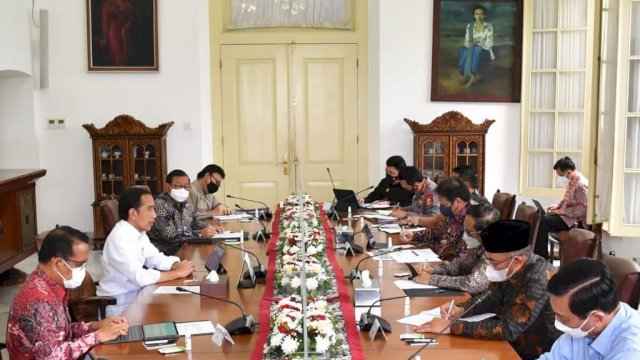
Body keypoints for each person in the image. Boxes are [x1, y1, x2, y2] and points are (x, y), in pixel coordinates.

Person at [416, 220, 561, 360]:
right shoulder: (510, 267)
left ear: (517, 261)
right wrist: (462, 309)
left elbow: (508, 329)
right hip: (509, 345)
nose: (489, 266)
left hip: (534, 352)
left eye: (493, 262)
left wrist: (451, 327)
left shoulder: (539, 278)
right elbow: (493, 297)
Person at [6, 226, 128, 359]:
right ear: (58, 263)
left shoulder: (49, 284)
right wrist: (98, 336)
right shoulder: (38, 300)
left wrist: (96, 326)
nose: (83, 270)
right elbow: (52, 356)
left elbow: (62, 331)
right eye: (79, 265)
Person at [98, 187, 195, 316]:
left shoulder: (138, 232)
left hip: (138, 296)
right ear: (133, 213)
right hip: (122, 306)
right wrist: (178, 273)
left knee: (180, 309)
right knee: (174, 315)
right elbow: (140, 277)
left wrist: (176, 265)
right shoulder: (119, 238)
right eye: (149, 209)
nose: (154, 215)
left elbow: (155, 258)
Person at [539, 258, 640, 359]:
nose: (556, 321)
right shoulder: (586, 326)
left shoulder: (630, 352)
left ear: (597, 319)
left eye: (563, 318)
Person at [412, 202, 500, 295]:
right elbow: (461, 265)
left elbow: (473, 284)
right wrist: (435, 270)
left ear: (483, 233)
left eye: (469, 232)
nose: (465, 235)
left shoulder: (497, 251)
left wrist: (432, 279)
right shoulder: (482, 245)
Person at [148, 169, 223, 255]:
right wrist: (200, 234)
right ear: (168, 186)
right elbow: (170, 236)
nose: (183, 190)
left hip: (186, 248)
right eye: (178, 186)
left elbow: (196, 223)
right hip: (166, 254)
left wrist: (211, 227)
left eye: (186, 186)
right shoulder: (159, 205)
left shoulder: (185, 204)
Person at [401, 177, 471, 261]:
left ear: (457, 201)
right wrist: (413, 235)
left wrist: (437, 269)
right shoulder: (453, 212)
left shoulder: (472, 219)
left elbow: (462, 258)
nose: (443, 208)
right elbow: (437, 232)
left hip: (448, 267)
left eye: (445, 204)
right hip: (435, 260)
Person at [534, 157, 589, 258]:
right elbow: (567, 200)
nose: (564, 178)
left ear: (568, 172)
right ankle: (538, 254)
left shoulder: (581, 184)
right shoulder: (573, 182)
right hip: (568, 217)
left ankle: (541, 257)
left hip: (576, 222)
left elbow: (582, 209)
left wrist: (561, 211)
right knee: (541, 218)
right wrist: (556, 207)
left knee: (543, 222)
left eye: (563, 176)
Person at [457, 5, 495, 89]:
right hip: (471, 48)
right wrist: (470, 44)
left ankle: (473, 76)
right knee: (461, 49)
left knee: (477, 50)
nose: (479, 16)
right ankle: (465, 73)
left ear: (485, 15)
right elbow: (466, 42)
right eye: (477, 14)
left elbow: (489, 43)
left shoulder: (488, 27)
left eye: (481, 14)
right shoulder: (470, 26)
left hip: (485, 51)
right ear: (474, 15)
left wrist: (477, 44)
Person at [96, 0, 133, 66]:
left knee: (125, 57)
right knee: (117, 57)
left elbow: (130, 20)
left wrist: (125, 29)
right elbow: (105, 23)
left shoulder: (127, 4)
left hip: (125, 35)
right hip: (113, 35)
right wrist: (105, 39)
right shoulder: (108, 5)